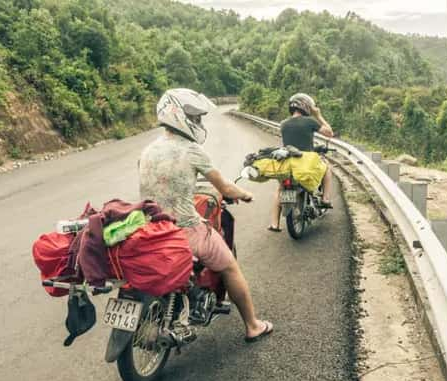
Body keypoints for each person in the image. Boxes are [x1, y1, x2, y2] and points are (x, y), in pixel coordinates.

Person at [139, 88, 273, 343]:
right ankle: (253, 325)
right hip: (185, 230)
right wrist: (245, 194)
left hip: (150, 229)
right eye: (194, 116)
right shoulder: (191, 150)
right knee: (230, 267)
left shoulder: (147, 151)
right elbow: (225, 188)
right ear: (177, 114)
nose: (198, 122)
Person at [267, 93, 335, 232]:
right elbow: (329, 133)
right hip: (305, 161)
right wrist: (318, 115)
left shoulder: (283, 124)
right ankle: (326, 199)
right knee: (327, 169)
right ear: (306, 106)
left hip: (287, 162)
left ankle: (274, 223)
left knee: (280, 190)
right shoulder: (309, 121)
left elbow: (293, 141)